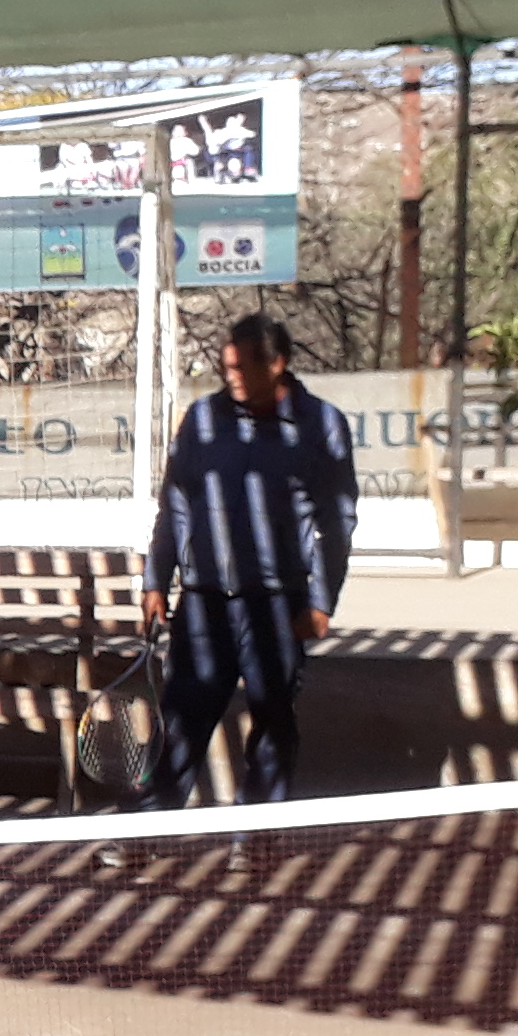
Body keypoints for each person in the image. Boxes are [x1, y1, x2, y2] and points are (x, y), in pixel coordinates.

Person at [139, 312, 360, 810]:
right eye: (226, 367)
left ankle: (256, 838)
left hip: (278, 606)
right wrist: (156, 579)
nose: (231, 377)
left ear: (277, 364)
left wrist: (321, 602)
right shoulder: (202, 419)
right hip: (203, 603)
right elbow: (175, 505)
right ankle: (149, 831)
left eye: (241, 367)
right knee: (180, 724)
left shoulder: (322, 425)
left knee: (273, 727)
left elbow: (338, 522)